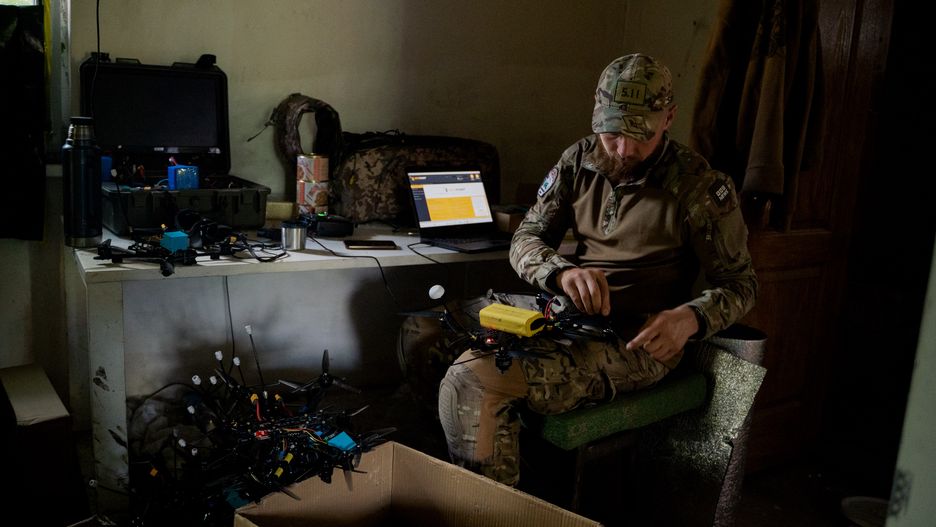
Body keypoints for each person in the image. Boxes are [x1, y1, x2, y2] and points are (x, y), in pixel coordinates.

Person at [437, 53, 758, 486]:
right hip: (565, 315)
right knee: (425, 334)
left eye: (640, 136)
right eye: (612, 133)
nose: (623, 150)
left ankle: (488, 508)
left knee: (473, 378)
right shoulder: (580, 159)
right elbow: (526, 237)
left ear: (669, 118)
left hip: (637, 341)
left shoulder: (699, 187)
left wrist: (691, 318)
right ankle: (464, 472)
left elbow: (741, 284)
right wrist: (561, 273)